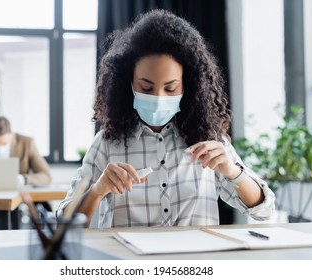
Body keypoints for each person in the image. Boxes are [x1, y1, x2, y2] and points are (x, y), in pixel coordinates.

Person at [58, 9, 275, 228]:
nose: (158, 98)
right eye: (146, 87)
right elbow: (65, 223)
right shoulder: (107, 142)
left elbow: (264, 211)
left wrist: (232, 171)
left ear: (188, 85)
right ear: (128, 83)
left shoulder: (209, 140)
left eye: (170, 88)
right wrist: (98, 190)